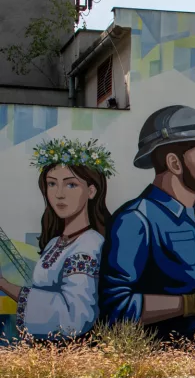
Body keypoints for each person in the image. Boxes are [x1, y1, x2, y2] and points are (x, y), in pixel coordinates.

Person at [99, 105, 195, 339]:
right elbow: (116, 306)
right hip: (153, 362)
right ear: (174, 163)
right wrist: (186, 305)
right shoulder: (135, 219)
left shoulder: (191, 215)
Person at [0, 138, 113, 339]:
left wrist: (6, 285)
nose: (59, 194)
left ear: (91, 191)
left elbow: (75, 317)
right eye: (52, 184)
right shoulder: (55, 242)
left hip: (72, 350)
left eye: (71, 185)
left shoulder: (89, 245)